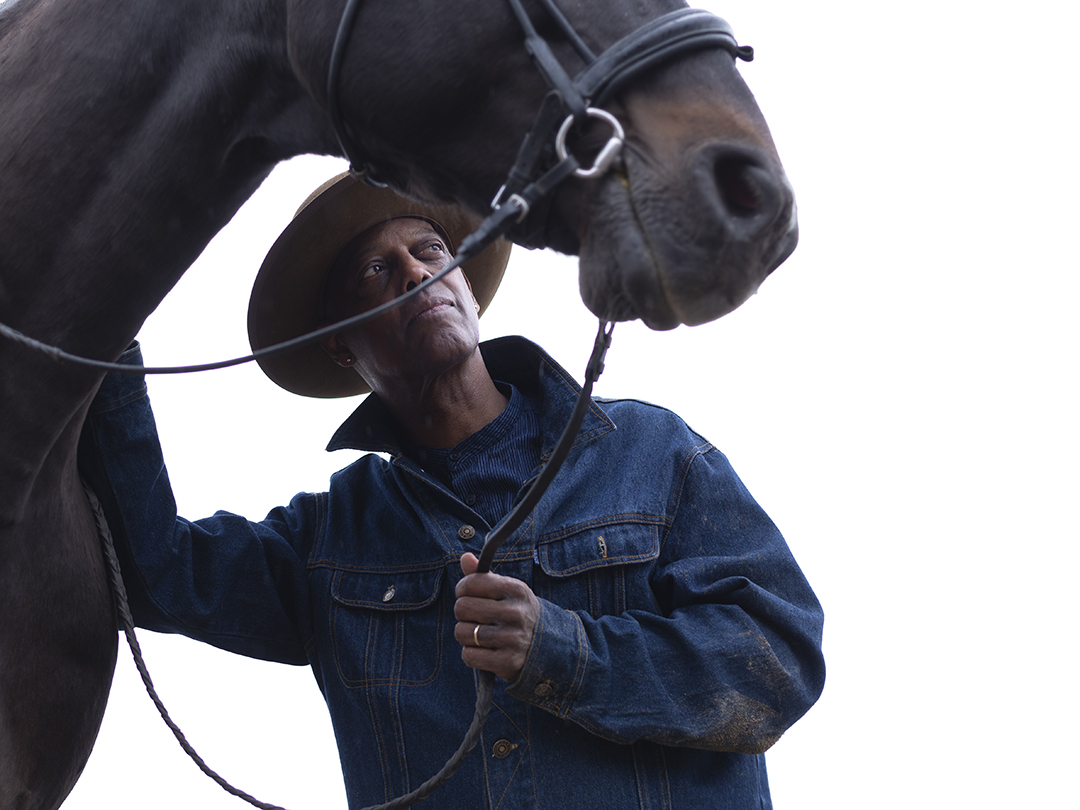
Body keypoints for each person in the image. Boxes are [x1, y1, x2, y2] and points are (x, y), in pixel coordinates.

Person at [79, 173, 825, 809]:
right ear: (343, 344)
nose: (412, 272)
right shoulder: (331, 539)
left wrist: (564, 651)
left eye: (429, 250)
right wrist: (101, 324)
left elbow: (781, 659)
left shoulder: (652, 453)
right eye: (375, 271)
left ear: (464, 282)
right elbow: (153, 572)